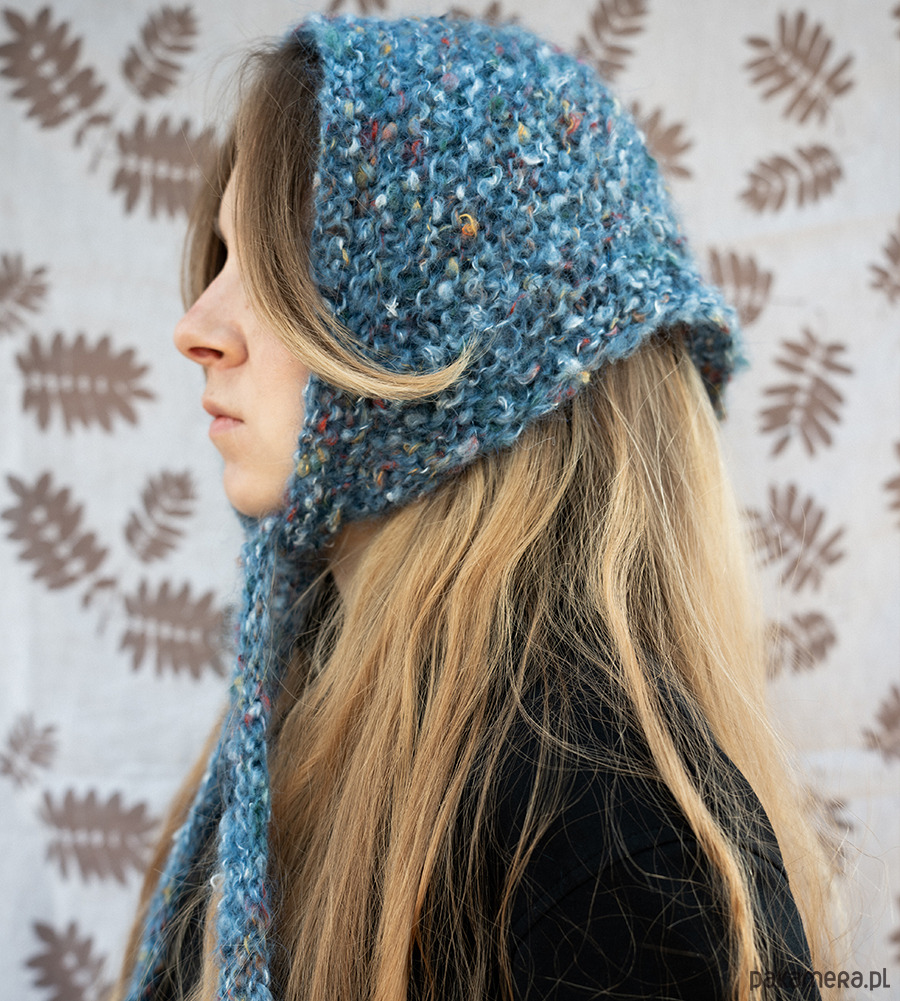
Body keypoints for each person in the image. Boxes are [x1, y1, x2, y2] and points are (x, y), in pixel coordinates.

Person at [112, 14, 837, 1001]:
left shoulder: (604, 843)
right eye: (226, 258)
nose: (196, 327)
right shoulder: (302, 715)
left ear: (471, 340)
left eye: (286, 265)